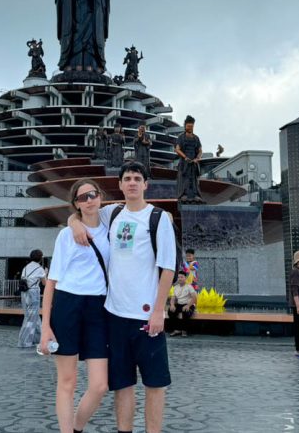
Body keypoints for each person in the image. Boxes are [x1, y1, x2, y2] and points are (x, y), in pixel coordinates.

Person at [69, 161, 177, 433]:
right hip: (115, 315)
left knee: (154, 384)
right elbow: (80, 210)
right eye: (127, 178)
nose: (132, 182)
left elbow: (168, 267)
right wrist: (74, 224)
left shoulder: (158, 218)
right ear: (119, 185)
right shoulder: (112, 213)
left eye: (137, 178)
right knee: (122, 384)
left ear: (145, 185)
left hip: (146, 317)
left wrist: (158, 311)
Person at [40, 179, 110, 433]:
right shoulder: (66, 235)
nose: (90, 200)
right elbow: (52, 283)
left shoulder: (111, 226)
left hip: (98, 308)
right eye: (83, 198)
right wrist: (45, 327)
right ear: (76, 205)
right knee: (67, 381)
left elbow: (138, 210)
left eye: (93, 194)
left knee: (100, 385)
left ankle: (77, 428)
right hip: (68, 304)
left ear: (100, 196)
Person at [18, 249, 47, 348]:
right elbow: (45, 283)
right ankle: (24, 342)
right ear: (40, 258)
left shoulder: (26, 267)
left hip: (24, 293)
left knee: (33, 317)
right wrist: (46, 273)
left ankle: (39, 339)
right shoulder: (39, 268)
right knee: (30, 319)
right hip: (33, 293)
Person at [175, 115, 203, 203]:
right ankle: (184, 195)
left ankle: (195, 195)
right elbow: (177, 149)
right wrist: (185, 157)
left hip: (193, 162)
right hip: (184, 162)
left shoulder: (196, 138)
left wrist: (197, 158)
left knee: (193, 179)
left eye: (191, 126)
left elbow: (200, 150)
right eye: (188, 126)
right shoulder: (181, 137)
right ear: (185, 126)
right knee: (184, 179)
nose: (190, 128)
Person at [168, 270, 198, 337]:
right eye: (178, 277)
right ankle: (177, 329)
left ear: (185, 278)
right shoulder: (176, 287)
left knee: (185, 311)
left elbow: (194, 298)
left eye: (181, 277)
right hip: (179, 304)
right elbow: (173, 298)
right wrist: (172, 305)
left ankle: (184, 330)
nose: (180, 279)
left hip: (189, 305)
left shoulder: (189, 287)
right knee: (170, 311)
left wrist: (188, 305)